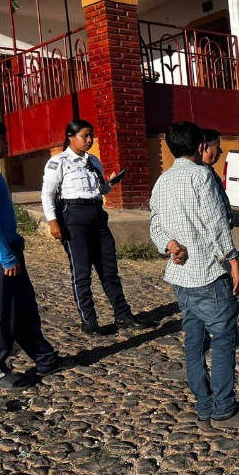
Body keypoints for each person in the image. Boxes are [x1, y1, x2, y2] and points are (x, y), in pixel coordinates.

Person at [149, 120, 239, 431]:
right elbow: (215, 224)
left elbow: (155, 225)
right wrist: (233, 260)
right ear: (200, 147)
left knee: (194, 341)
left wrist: (169, 245)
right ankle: (224, 410)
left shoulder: (162, 180)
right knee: (224, 338)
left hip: (181, 276)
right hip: (208, 274)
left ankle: (204, 405)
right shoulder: (201, 176)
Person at [41, 119, 152, 334]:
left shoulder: (93, 161)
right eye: (85, 136)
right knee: (82, 273)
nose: (90, 140)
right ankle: (89, 321)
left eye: (91, 136)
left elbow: (100, 190)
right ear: (71, 137)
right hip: (74, 218)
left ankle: (123, 314)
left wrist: (110, 183)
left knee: (109, 270)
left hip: (97, 216)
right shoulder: (59, 162)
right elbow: (47, 193)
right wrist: (52, 221)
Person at [0, 121, 65, 389]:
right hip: (0, 254)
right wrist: (5, 255)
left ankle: (44, 356)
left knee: (23, 306)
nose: (8, 144)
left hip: (11, 247)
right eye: (3, 138)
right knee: (0, 311)